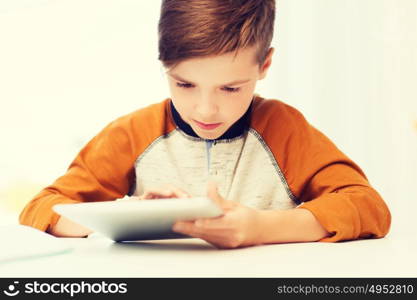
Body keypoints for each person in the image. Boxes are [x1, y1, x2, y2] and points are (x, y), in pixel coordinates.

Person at [19, 0, 391, 249]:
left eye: (231, 87)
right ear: (164, 65)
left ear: (264, 66)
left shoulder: (283, 129)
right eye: (184, 84)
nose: (206, 109)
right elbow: (41, 210)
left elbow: (368, 207)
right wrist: (127, 214)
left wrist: (259, 229)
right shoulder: (131, 134)